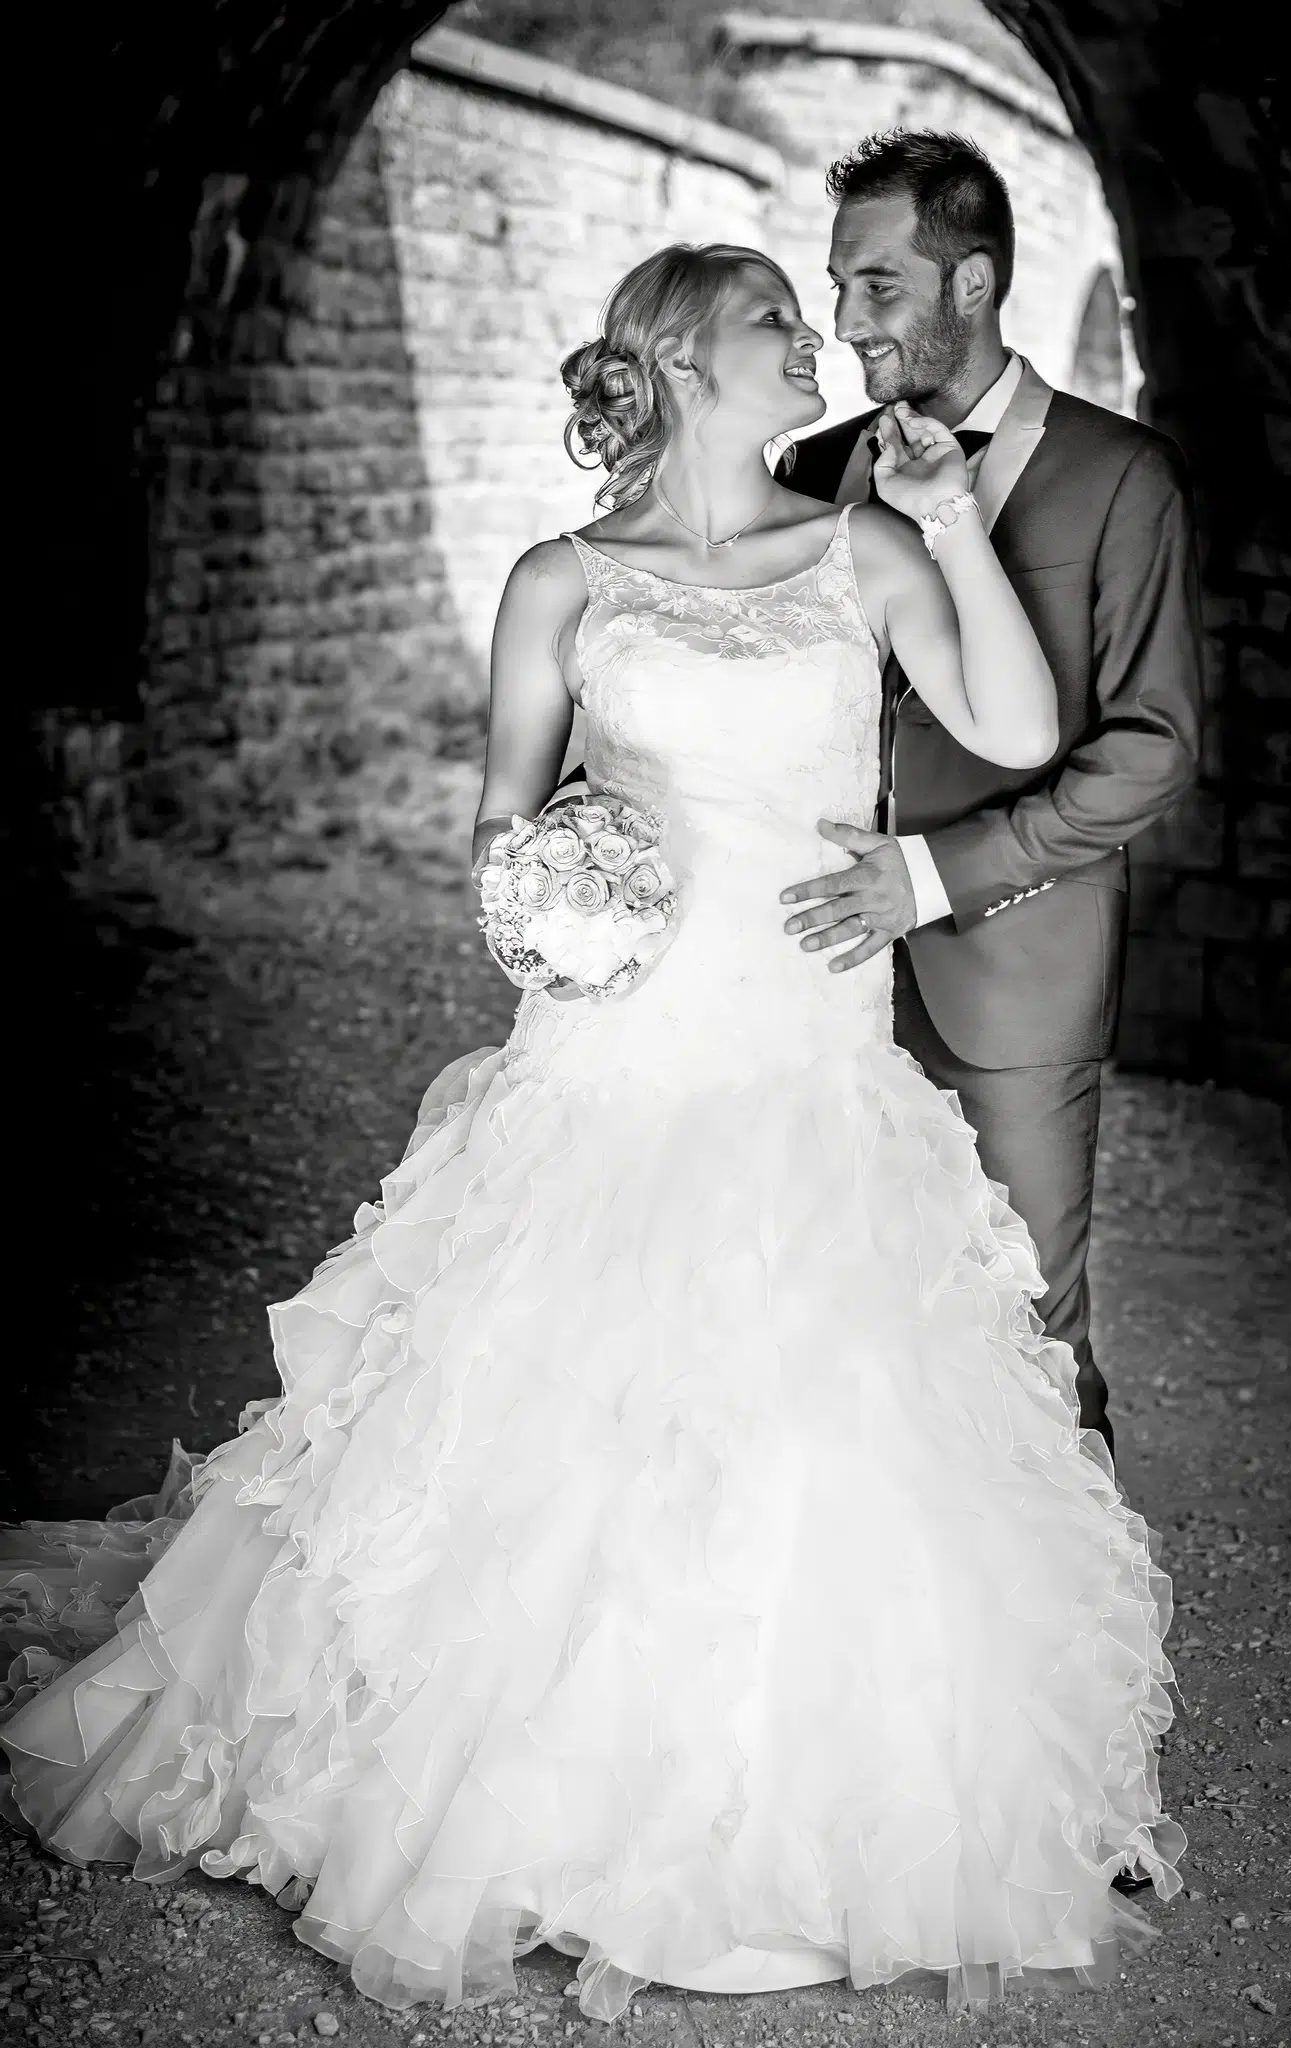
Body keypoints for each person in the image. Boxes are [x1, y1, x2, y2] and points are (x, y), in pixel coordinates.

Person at [0, 243, 1183, 2029]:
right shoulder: (562, 581)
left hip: (803, 1057)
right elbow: (500, 819)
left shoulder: (862, 545)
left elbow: (1021, 728)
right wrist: (558, 898)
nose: (815, 344)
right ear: (684, 362)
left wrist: (946, 522)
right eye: (778, 322)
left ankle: (804, 1817)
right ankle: (521, 1801)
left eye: (812, 316)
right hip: (613, 1056)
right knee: (542, 1404)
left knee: (821, 1401)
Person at [779, 133, 1204, 1463]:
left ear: (970, 283)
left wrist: (930, 872)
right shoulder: (805, 470)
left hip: (1012, 965)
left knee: (1026, 1329)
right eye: (838, 285)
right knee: (812, 1304)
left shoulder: (1120, 476)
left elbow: (1148, 749)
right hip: (799, 972)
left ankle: (1074, 1653)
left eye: (877, 287)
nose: (844, 321)